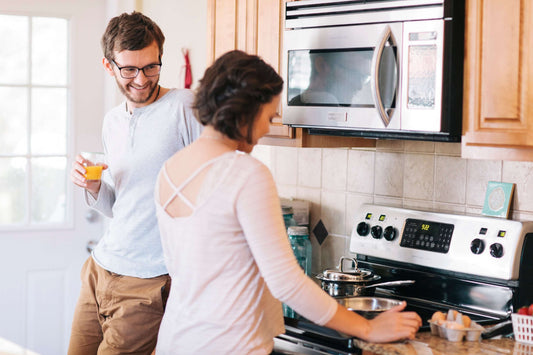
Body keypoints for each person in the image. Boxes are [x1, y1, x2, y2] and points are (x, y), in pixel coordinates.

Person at [154, 50, 421, 354]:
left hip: (176, 339)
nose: (268, 128)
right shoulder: (245, 173)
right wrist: (368, 327)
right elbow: (287, 282)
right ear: (244, 112)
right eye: (268, 117)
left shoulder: (169, 170)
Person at [68, 11, 202, 354]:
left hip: (149, 281)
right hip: (100, 269)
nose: (141, 79)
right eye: (129, 69)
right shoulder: (112, 121)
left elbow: (218, 186)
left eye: (151, 67)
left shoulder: (185, 108)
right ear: (108, 65)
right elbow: (119, 205)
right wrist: (94, 188)